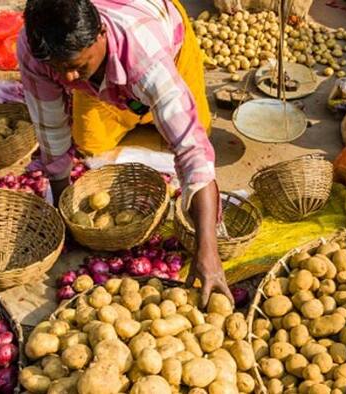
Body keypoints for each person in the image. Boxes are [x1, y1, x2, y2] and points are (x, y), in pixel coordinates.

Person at [19, 0, 231, 306]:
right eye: (58, 68)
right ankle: (133, 107)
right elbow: (50, 127)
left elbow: (193, 150)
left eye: (77, 66)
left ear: (101, 35)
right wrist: (67, 213)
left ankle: (144, 110)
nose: (67, 79)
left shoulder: (146, 56)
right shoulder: (35, 47)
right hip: (107, 70)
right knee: (90, 142)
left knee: (191, 127)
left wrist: (207, 251)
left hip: (161, 36)